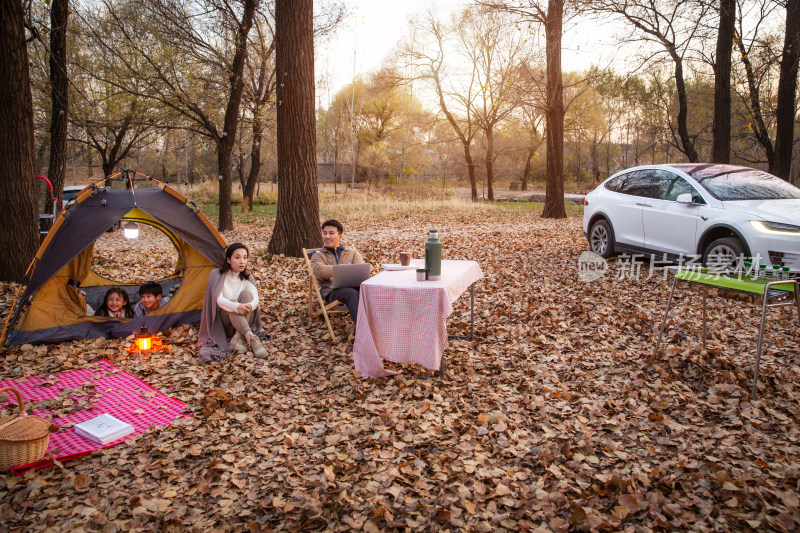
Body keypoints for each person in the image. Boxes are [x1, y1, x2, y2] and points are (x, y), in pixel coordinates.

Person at [198, 243, 269, 362]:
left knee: (247, 295)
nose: (242, 261)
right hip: (224, 322)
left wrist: (248, 306)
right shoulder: (216, 275)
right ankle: (251, 337)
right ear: (228, 260)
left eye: (245, 257)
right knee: (232, 303)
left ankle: (238, 337)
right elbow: (218, 299)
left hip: (245, 318)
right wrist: (236, 307)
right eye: (237, 257)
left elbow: (255, 299)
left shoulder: (247, 276)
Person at [310, 219, 364, 323]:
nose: (327, 237)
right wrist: (347, 268)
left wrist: (342, 269)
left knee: (369, 290)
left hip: (353, 287)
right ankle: (363, 331)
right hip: (331, 291)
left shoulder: (352, 252)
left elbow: (361, 269)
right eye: (324, 233)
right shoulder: (318, 255)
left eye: (331, 233)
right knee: (351, 293)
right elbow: (320, 271)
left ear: (340, 236)